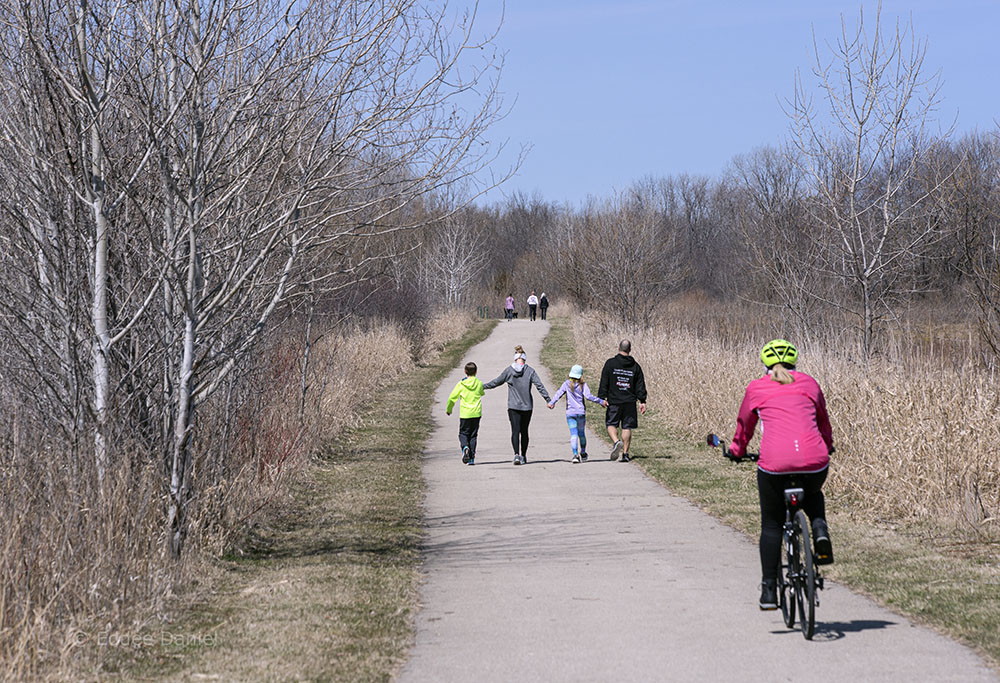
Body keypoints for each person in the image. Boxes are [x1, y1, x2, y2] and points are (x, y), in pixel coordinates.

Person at [727, 339, 835, 611]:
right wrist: (827, 444)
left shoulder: (756, 387)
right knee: (813, 492)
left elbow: (744, 427)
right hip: (814, 460)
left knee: (772, 525)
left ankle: (768, 591)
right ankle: (820, 529)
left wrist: (737, 451)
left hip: (775, 464)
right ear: (794, 361)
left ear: (764, 364)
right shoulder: (809, 383)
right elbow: (823, 420)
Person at [483, 344, 551, 465]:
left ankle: (516, 455)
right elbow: (539, 385)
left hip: (513, 406)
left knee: (515, 431)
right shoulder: (530, 371)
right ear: (524, 359)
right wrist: (548, 399)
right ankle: (524, 456)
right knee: (524, 431)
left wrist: (482, 387)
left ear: (515, 358)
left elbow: (496, 382)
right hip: (527, 407)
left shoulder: (509, 370)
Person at [597, 339, 647, 462]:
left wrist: (602, 397)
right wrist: (642, 400)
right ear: (630, 350)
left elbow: (605, 381)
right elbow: (640, 385)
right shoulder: (635, 366)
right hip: (629, 401)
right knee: (627, 426)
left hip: (614, 400)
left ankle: (616, 442)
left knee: (611, 424)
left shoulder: (610, 364)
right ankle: (625, 454)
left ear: (618, 349)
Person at [547, 364, 607, 463]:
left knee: (573, 434)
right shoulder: (583, 384)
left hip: (570, 413)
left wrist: (551, 403)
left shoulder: (566, 384)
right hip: (580, 412)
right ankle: (583, 452)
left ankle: (575, 455)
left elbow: (559, 393)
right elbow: (588, 396)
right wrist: (601, 401)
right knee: (581, 434)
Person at [446, 362, 485, 465]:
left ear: (465, 371)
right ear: (476, 372)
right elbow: (481, 392)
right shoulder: (479, 383)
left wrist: (449, 409)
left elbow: (452, 398)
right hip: (476, 413)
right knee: (473, 435)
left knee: (463, 433)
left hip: (465, 414)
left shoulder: (461, 384)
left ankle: (465, 447)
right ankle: (471, 458)